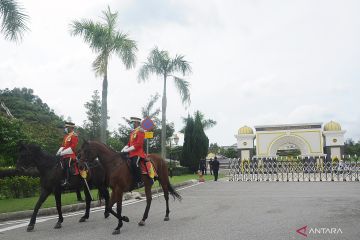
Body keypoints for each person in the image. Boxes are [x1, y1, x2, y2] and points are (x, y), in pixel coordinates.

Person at [121, 117, 146, 189]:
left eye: (132, 123)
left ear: (137, 123)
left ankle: (140, 181)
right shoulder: (132, 132)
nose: (131, 124)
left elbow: (139, 144)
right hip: (131, 153)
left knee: (134, 164)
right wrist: (123, 149)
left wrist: (127, 150)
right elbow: (129, 143)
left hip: (138, 153)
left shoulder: (140, 131)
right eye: (131, 123)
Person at [56, 122, 78, 186]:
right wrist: (58, 152)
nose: (65, 129)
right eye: (65, 127)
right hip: (64, 155)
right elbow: (63, 146)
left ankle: (67, 180)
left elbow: (72, 147)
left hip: (71, 155)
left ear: (71, 128)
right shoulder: (66, 136)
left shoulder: (74, 136)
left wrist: (62, 153)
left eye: (67, 127)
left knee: (67, 164)